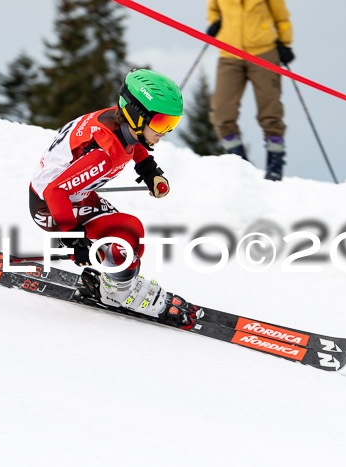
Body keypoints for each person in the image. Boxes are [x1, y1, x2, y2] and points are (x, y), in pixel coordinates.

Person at [28, 69, 197, 329]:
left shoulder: (121, 123)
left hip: (75, 195)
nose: (166, 131)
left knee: (130, 235)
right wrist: (74, 240)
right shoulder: (104, 153)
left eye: (172, 124)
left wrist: (149, 171)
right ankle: (118, 292)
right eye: (162, 123)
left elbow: (134, 142)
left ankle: (118, 281)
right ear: (138, 115)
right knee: (124, 237)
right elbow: (54, 192)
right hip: (51, 207)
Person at [206, 0, 295, 181]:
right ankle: (240, 164)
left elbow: (281, 16)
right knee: (221, 113)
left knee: (270, 112)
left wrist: (285, 43)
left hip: (263, 52)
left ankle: (275, 165)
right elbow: (214, 9)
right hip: (229, 53)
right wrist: (215, 23)